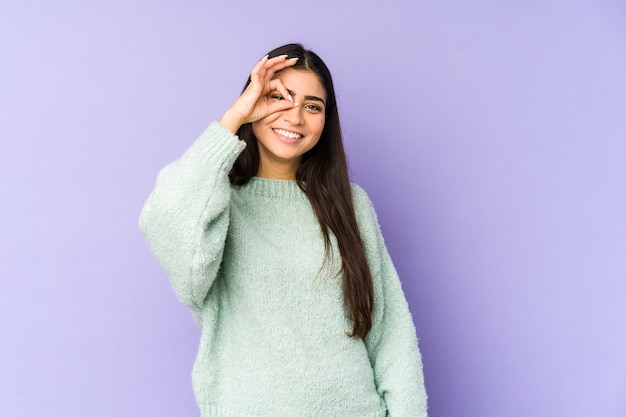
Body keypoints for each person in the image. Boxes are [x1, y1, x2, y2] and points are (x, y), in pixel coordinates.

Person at [139, 43, 427, 417]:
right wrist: (235, 117)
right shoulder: (216, 204)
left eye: (312, 106)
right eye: (278, 98)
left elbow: (390, 335)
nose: (294, 117)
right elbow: (165, 218)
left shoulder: (352, 205)